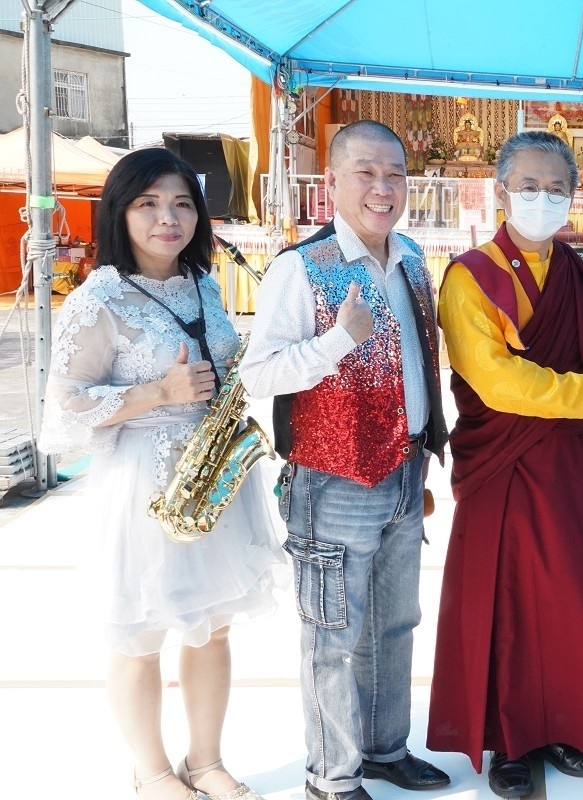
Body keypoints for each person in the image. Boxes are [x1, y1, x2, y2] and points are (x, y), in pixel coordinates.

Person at [39, 148, 280, 800]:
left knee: (212, 626)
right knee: (141, 632)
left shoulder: (203, 282)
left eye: (180, 204)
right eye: (148, 204)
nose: (167, 218)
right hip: (143, 486)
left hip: (215, 479)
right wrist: (158, 392)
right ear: (120, 213)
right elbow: (65, 411)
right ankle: (150, 771)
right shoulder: (100, 299)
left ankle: (206, 761)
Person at [427, 130, 583, 798]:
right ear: (500, 191)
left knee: (570, 594)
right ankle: (507, 740)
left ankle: (570, 724)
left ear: (573, 196)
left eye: (557, 188)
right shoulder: (471, 276)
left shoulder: (577, 271)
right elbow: (495, 381)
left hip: (564, 459)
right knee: (506, 600)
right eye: (530, 186)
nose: (544, 199)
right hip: (503, 462)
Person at [241, 120, 450, 800]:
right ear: (330, 183)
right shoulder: (300, 268)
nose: (383, 187)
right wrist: (336, 342)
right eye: (365, 172)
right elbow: (259, 374)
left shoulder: (413, 259)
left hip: (403, 470)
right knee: (331, 636)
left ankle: (387, 748)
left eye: (394, 173)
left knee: (395, 622)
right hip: (332, 482)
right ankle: (331, 776)